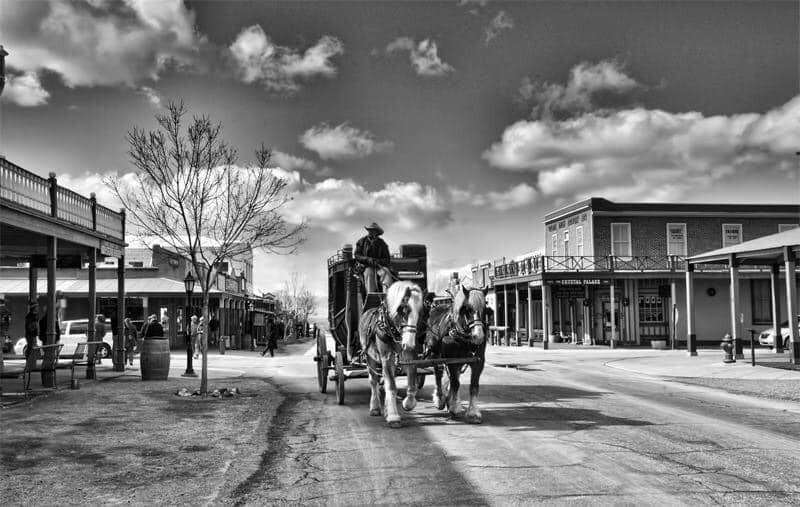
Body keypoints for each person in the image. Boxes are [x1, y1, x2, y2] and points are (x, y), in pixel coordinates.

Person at [354, 222, 392, 293]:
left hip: (379, 267)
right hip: (365, 267)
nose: (371, 232)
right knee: (369, 273)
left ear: (377, 232)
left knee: (386, 272)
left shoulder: (382, 244)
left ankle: (386, 295)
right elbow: (357, 255)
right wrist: (367, 259)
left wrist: (378, 261)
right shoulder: (361, 242)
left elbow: (387, 259)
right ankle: (371, 295)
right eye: (370, 230)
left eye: (373, 230)